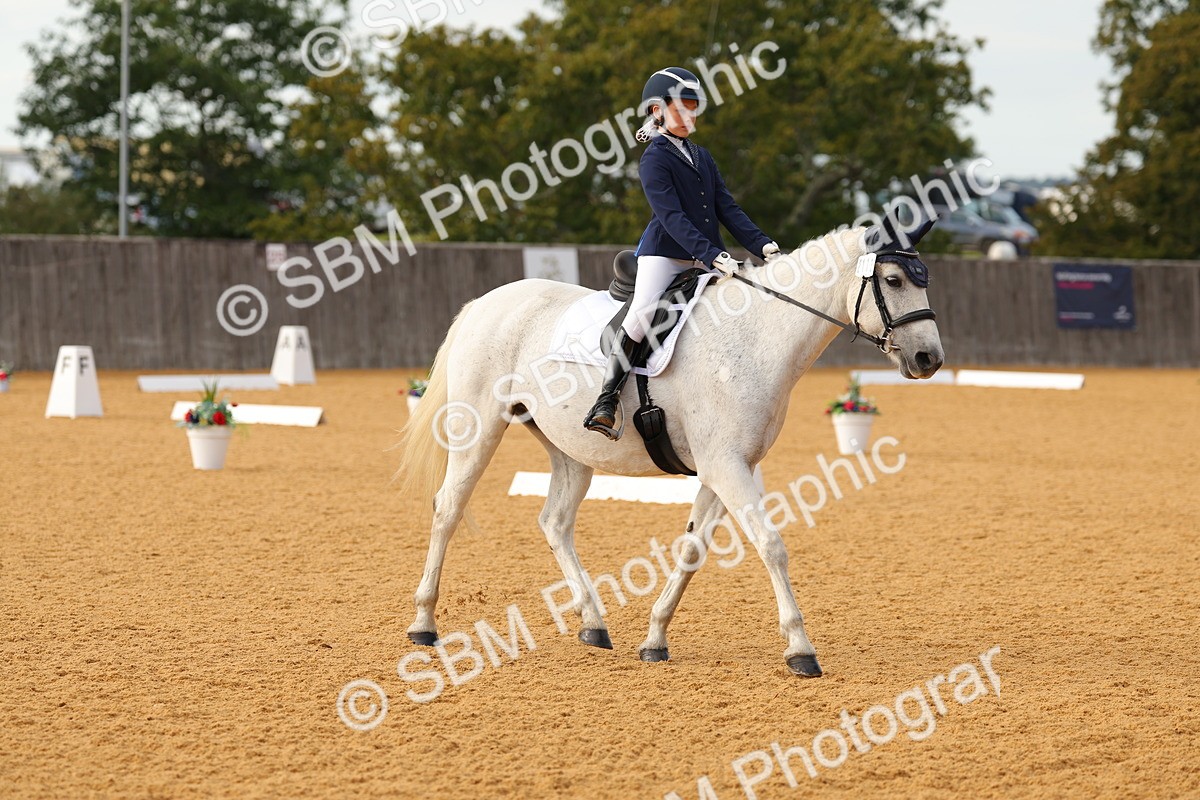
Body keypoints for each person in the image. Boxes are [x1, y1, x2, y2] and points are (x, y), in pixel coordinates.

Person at [583, 67, 780, 440]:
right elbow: (671, 216)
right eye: (681, 108)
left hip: (706, 253)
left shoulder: (702, 156)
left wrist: (762, 244)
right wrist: (711, 254)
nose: (690, 116)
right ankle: (605, 399)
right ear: (658, 111)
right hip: (666, 253)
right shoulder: (654, 159)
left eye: (694, 108)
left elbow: (727, 208)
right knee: (642, 313)